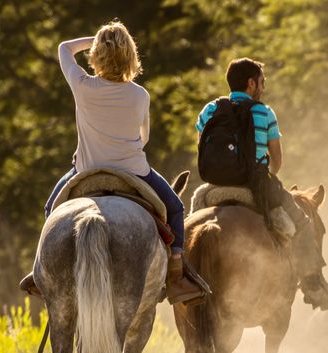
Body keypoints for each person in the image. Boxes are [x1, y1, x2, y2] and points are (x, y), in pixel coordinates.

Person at [20, 21, 201, 305]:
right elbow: (144, 139)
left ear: (95, 54)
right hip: (134, 172)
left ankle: (42, 271)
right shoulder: (140, 95)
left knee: (50, 209)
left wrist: (98, 39)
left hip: (86, 169)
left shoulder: (81, 85)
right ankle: (177, 273)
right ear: (131, 55)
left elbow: (64, 48)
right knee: (176, 209)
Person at [195, 58, 327, 294]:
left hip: (214, 185)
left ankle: (182, 273)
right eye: (262, 82)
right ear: (251, 84)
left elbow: (203, 149)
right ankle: (312, 283)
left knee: (191, 222)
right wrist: (268, 178)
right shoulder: (264, 112)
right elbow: (276, 159)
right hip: (255, 184)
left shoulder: (210, 110)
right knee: (303, 223)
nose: (263, 88)